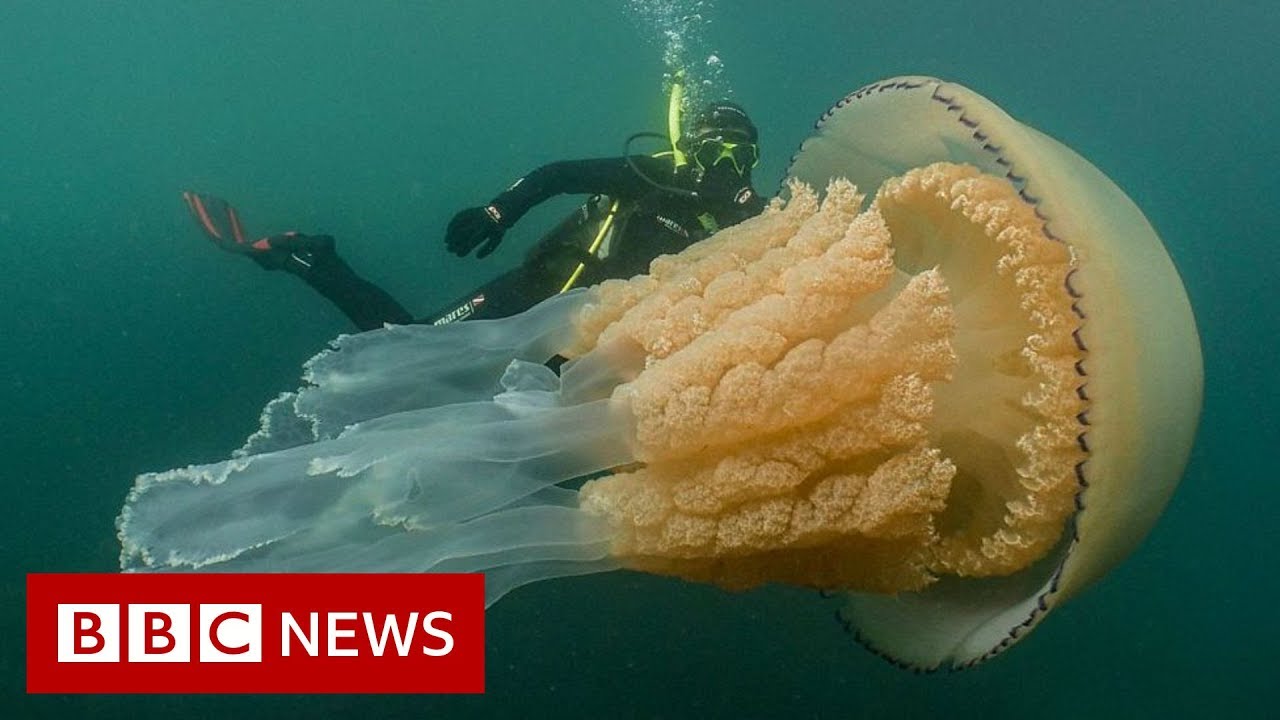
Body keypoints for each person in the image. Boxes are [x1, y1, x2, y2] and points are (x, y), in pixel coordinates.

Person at [183, 99, 767, 331]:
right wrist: (498, 212)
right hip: (538, 291)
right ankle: (312, 259)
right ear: (690, 148)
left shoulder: (756, 219)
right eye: (713, 149)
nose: (725, 164)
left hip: (598, 339)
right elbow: (558, 174)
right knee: (410, 348)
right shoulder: (656, 174)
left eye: (739, 154)